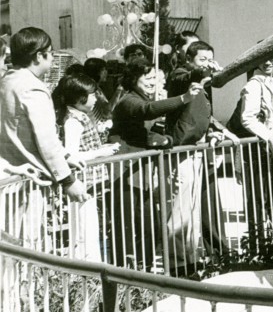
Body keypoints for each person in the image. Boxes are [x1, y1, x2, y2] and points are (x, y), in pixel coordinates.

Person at [108, 57, 204, 270]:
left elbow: (143, 130)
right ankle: (126, 270)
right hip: (125, 171)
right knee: (129, 223)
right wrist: (184, 98)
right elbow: (147, 110)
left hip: (141, 170)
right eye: (148, 78)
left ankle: (147, 267)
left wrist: (161, 139)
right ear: (134, 79)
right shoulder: (128, 100)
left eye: (156, 78)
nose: (153, 82)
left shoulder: (140, 96)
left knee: (149, 222)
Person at [0, 28, 89, 250]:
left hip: (6, 176)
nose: (52, 58)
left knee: (7, 243)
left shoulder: (6, 81)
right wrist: (68, 181)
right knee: (27, 247)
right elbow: (45, 138)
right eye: (50, 53)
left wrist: (65, 155)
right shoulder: (33, 88)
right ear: (39, 55)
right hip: (26, 181)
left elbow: (21, 130)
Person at [164, 40, 238, 274]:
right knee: (180, 210)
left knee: (191, 210)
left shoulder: (202, 85)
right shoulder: (180, 76)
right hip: (181, 150)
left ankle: (190, 260)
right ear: (189, 60)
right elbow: (180, 79)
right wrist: (199, 71)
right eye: (202, 60)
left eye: (210, 59)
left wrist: (216, 132)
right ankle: (177, 266)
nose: (208, 64)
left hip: (196, 149)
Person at [54, 70, 121, 261]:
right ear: (80, 97)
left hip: (90, 183)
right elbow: (71, 155)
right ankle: (87, 270)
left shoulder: (80, 116)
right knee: (84, 229)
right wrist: (102, 152)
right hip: (82, 183)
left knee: (90, 227)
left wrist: (102, 148)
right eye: (92, 94)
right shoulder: (73, 121)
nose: (96, 97)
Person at [228, 56, 273, 243]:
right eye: (264, 59)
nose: (268, 63)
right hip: (257, 148)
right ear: (256, 62)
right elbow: (247, 118)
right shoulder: (253, 85)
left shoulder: (271, 81)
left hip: (270, 146)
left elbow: (269, 115)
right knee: (258, 196)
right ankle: (257, 243)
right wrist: (271, 138)